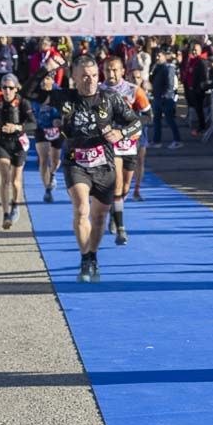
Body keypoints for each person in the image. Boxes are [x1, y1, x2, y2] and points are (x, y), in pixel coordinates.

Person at [25, 54, 143, 282]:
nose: (90, 80)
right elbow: (28, 93)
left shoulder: (110, 98)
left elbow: (136, 121)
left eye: (93, 76)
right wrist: (45, 69)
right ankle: (84, 257)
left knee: (99, 218)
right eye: (84, 76)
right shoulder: (64, 97)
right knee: (81, 210)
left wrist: (121, 133)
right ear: (74, 77)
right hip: (75, 161)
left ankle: (92, 256)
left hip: (104, 165)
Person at [100, 55, 152, 245]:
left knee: (126, 187)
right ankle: (121, 229)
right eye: (107, 70)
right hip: (108, 145)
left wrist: (126, 131)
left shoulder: (133, 90)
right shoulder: (98, 91)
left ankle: (116, 210)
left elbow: (148, 116)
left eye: (114, 69)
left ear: (122, 71)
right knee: (118, 183)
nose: (111, 73)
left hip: (129, 143)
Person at [0, 74, 35, 230]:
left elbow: (33, 124)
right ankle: (5, 214)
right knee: (5, 179)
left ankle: (16, 204)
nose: (7, 91)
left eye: (10, 88)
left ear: (16, 88)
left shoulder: (23, 103)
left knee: (16, 181)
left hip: (18, 143)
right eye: (4, 87)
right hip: (2, 143)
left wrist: (17, 127)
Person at [32, 72, 64, 203]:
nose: (44, 82)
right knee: (44, 158)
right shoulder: (35, 93)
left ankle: (52, 174)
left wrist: (60, 119)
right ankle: (47, 189)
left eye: (47, 79)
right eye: (42, 79)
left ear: (52, 80)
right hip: (41, 128)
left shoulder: (60, 93)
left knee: (55, 161)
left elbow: (67, 110)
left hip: (56, 129)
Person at [148, 47, 182, 149]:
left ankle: (177, 140)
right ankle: (156, 141)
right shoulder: (157, 67)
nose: (157, 57)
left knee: (170, 120)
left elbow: (170, 85)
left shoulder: (169, 68)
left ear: (164, 56)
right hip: (157, 97)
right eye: (156, 56)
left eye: (159, 55)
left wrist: (165, 96)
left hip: (166, 99)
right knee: (156, 121)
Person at [128, 66, 151, 201]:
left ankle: (137, 189)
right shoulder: (123, 91)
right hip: (125, 130)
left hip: (141, 130)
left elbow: (148, 114)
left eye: (138, 77)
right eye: (133, 77)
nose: (135, 80)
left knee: (140, 160)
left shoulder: (144, 93)